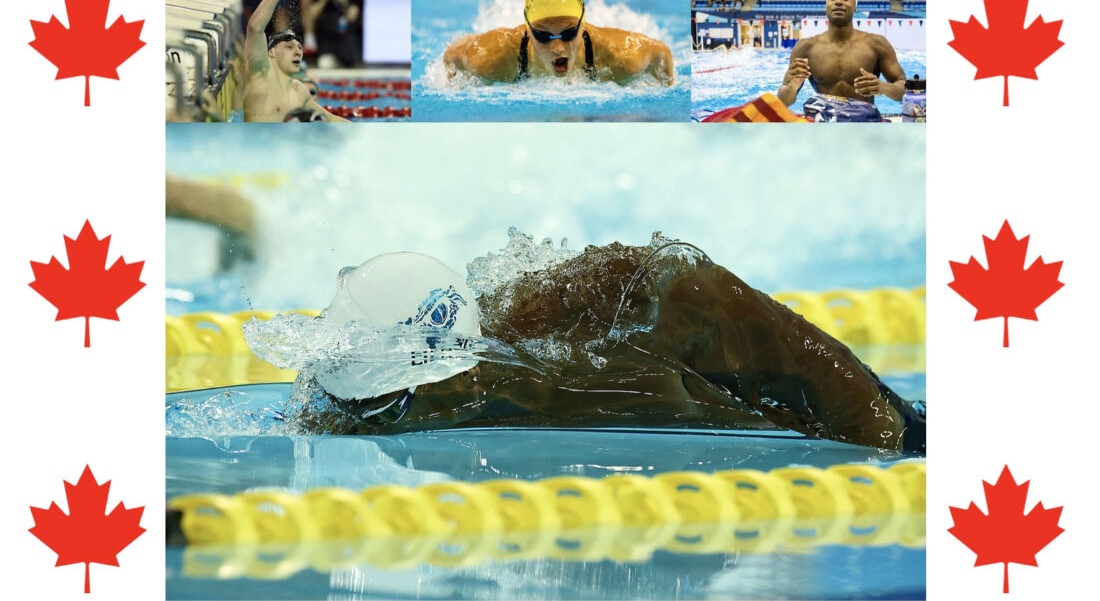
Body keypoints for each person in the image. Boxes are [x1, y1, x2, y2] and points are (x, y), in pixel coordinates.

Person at [279, 243, 926, 455]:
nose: (386, 417)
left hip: (726, 336)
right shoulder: (436, 374)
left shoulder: (559, 374)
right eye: (371, 405)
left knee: (895, 434)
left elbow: (679, 280)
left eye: (395, 404)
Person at [442, 0, 674, 85]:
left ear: (583, 23)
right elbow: (452, 55)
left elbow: (661, 53)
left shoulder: (621, 55)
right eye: (543, 35)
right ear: (528, 28)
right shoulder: (492, 58)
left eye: (569, 33)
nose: (557, 47)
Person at [777, 0, 906, 122]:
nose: (838, 2)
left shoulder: (876, 44)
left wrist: (883, 87)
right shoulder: (805, 47)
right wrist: (792, 86)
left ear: (855, 6)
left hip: (864, 125)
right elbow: (783, 101)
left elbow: (905, 90)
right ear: (826, 6)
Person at [243, 0, 349, 122]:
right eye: (289, 46)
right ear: (271, 52)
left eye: (299, 47)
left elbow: (332, 120)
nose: (298, 51)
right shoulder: (261, 77)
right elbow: (255, 27)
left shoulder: (300, 91)